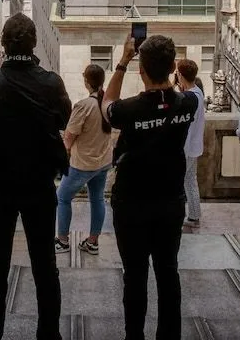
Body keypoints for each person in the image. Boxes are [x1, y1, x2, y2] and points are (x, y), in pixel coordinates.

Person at [0, 13, 72, 340]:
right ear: (34, 43)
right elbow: (63, 121)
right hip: (39, 187)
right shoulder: (51, 83)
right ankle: (49, 334)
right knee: (45, 266)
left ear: (3, 45)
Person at [103, 34, 199, 340]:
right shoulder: (190, 103)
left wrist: (122, 62)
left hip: (131, 203)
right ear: (173, 66)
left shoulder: (130, 110)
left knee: (135, 276)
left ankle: (135, 336)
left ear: (140, 70)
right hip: (170, 202)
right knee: (168, 272)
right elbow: (181, 91)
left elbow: (107, 105)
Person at [55, 64, 114, 255]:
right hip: (103, 161)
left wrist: (65, 149)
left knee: (62, 197)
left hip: (82, 163)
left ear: (86, 81)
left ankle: (62, 241)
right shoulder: (108, 103)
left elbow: (69, 137)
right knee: (97, 199)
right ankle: (93, 242)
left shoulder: (83, 106)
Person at [176, 59, 206, 228]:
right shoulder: (198, 93)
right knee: (190, 180)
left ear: (180, 75)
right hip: (194, 146)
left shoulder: (190, 97)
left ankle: (182, 216)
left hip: (186, 148)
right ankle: (194, 215)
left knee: (179, 183)